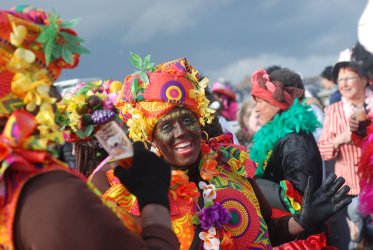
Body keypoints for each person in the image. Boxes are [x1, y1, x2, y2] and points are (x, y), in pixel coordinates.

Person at [93, 56, 351, 249]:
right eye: (167, 126)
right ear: (152, 138)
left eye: (188, 120)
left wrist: (301, 222)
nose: (181, 131)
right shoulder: (142, 190)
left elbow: (267, 230)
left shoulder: (231, 167)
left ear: (200, 124)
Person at [0, 6, 178, 249]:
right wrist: (154, 199)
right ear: (22, 96)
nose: (58, 99)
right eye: (48, 85)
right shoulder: (51, 197)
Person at [249, 68, 325, 237]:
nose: (256, 109)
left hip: (298, 236)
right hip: (284, 229)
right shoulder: (281, 135)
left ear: (277, 105)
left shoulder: (295, 139)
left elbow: (301, 198)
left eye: (261, 101)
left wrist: (253, 185)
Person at [318, 48, 372, 249]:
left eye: (349, 77)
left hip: (372, 184)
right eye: (340, 80)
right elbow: (323, 149)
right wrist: (341, 139)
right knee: (358, 238)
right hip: (351, 190)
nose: (344, 84)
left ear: (364, 79)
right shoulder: (334, 110)